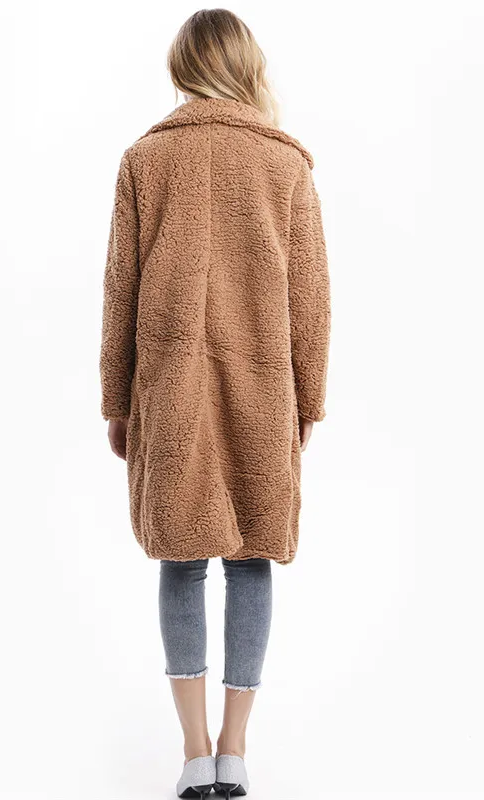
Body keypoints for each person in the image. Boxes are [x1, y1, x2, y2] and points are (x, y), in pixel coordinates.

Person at [99, 9, 331, 798]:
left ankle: (194, 752)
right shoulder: (285, 163)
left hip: (170, 390)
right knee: (251, 556)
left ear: (184, 68)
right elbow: (312, 301)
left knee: (183, 556)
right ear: (245, 65)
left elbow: (119, 292)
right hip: (263, 389)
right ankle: (235, 750)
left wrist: (117, 400)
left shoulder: (145, 158)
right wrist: (308, 402)